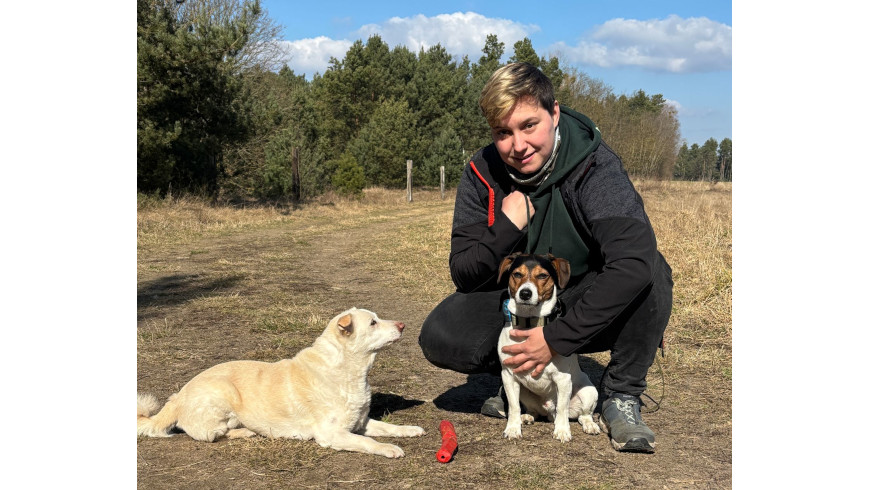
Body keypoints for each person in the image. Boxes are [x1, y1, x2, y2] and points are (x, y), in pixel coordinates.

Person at [418, 62, 673, 453]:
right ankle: (517, 385)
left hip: (584, 294)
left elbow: (633, 261)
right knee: (440, 335)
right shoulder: (480, 172)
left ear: (554, 113)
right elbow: (464, 274)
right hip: (515, 301)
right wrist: (506, 225)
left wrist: (554, 339)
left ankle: (621, 394)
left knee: (652, 269)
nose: (517, 146)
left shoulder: (594, 165)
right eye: (503, 132)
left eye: (529, 125)